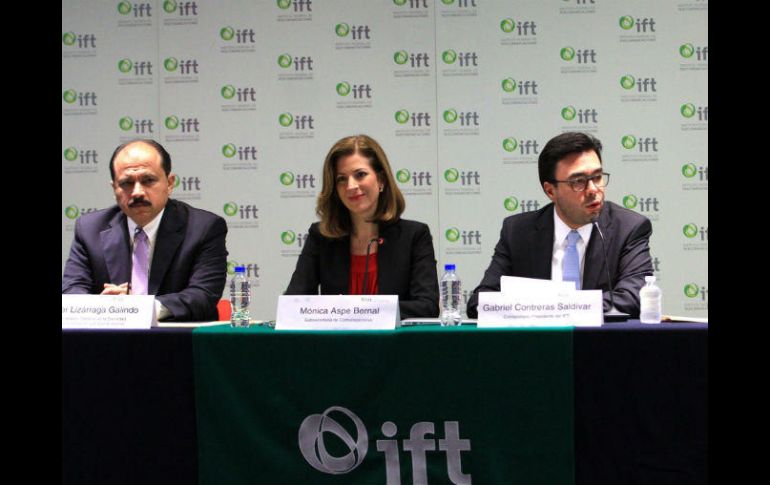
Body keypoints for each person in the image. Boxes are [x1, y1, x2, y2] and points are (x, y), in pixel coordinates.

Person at [466, 131, 653, 318]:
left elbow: (634, 298)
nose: (593, 190)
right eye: (578, 182)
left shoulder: (629, 228)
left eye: (597, 177)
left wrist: (550, 307)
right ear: (550, 191)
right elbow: (480, 303)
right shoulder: (518, 232)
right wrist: (559, 307)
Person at [62, 139, 228, 321]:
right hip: (111, 336)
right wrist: (104, 307)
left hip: (176, 335)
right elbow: (72, 290)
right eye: (126, 183)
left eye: (148, 180)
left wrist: (139, 308)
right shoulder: (90, 229)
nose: (137, 192)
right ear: (114, 188)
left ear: (169, 183)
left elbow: (202, 295)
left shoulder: (204, 228)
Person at [285, 134, 439, 319]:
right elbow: (292, 304)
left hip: (392, 338)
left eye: (360, 175)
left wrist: (363, 311)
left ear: (381, 180)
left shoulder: (414, 236)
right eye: (341, 179)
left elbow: (427, 306)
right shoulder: (321, 236)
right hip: (337, 337)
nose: (351, 186)